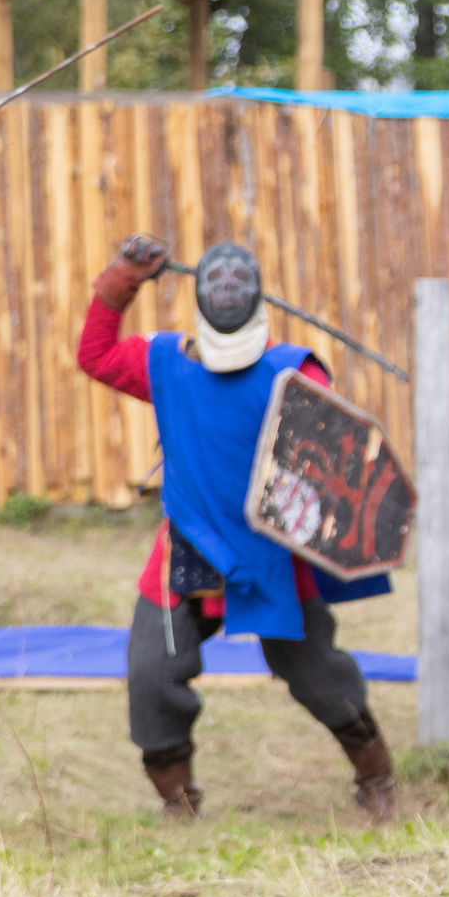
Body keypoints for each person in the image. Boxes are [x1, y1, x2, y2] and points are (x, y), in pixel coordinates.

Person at [78, 236, 398, 822]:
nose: (226, 287)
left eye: (236, 280)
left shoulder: (293, 371)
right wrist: (121, 277)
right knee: (152, 673)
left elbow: (336, 465)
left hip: (271, 554)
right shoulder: (166, 362)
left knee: (316, 673)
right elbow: (95, 355)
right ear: (199, 291)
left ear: (255, 294)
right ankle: (179, 804)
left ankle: (376, 779)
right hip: (188, 549)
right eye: (215, 279)